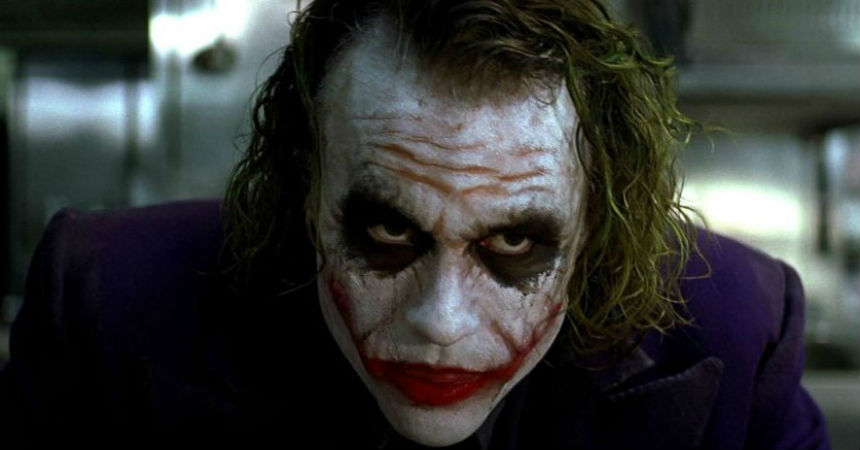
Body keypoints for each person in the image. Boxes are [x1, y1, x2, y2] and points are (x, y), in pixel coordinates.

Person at [0, 1, 830, 448]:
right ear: (303, 193)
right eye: (388, 236)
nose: (440, 322)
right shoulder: (103, 306)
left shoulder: (738, 330)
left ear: (596, 229)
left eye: (514, 242)